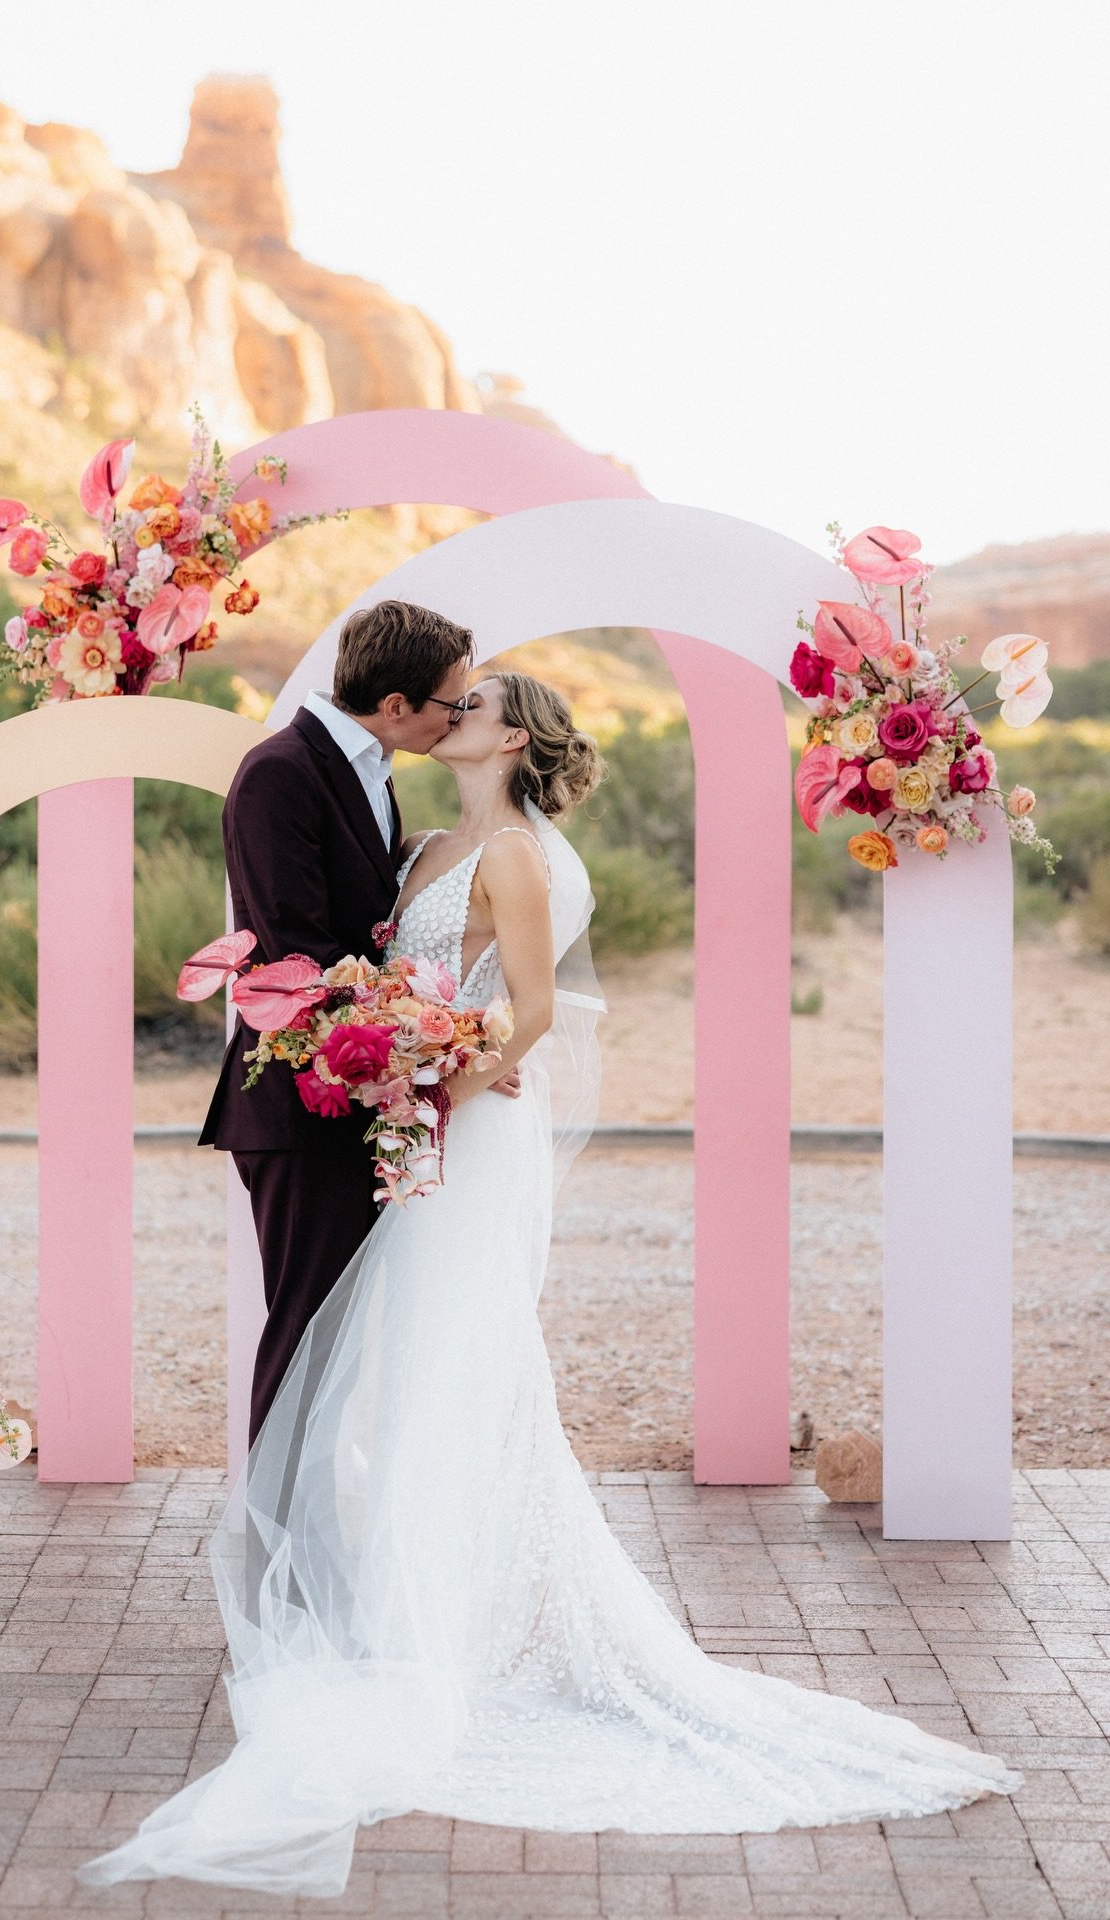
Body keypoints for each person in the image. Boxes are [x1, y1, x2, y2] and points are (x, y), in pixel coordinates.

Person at [84, 670, 1021, 1899]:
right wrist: (383, 1065)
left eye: (469, 703)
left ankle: (440, 1631)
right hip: (407, 1129)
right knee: (395, 1370)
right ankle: (400, 1612)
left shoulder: (516, 856)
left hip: (454, 1139)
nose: (447, 712)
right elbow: (383, 977)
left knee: (448, 1363)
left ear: (510, 734)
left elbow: (527, 1018)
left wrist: (426, 1098)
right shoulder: (423, 845)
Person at [198, 598, 482, 1443]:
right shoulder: (281, 770)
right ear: (395, 705)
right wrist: (423, 1043)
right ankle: (275, 1562)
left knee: (345, 1344)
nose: (458, 717)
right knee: (304, 1343)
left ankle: (314, 1551)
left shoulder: (371, 768)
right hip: (297, 1100)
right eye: (451, 703)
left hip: (354, 1098)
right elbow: (299, 954)